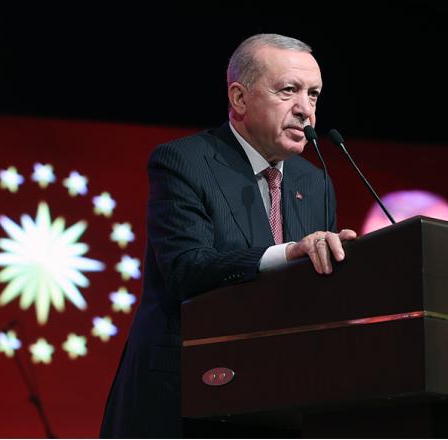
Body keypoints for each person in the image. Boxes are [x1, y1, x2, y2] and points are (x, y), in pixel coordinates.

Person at [100, 33, 357, 438]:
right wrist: (288, 253)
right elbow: (186, 268)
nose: (305, 109)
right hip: (183, 400)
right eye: (288, 90)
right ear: (239, 98)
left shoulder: (315, 182)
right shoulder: (184, 161)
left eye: (313, 94)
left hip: (276, 400)